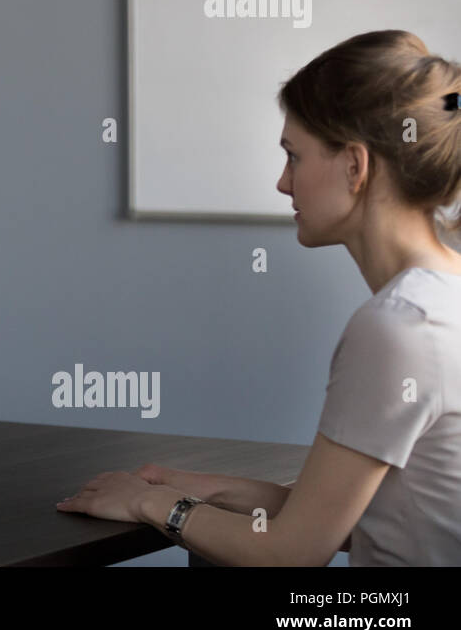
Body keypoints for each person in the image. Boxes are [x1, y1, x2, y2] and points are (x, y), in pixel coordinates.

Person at [57, 30, 461, 565]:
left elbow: (291, 554)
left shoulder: (398, 329)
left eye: (294, 156)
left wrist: (151, 502)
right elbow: (359, 519)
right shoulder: (442, 298)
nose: (281, 182)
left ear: (355, 166)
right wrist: (208, 490)